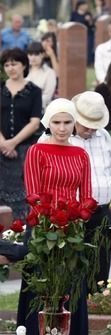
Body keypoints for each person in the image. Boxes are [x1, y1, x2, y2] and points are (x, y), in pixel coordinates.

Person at [19, 98, 92, 335]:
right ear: (48, 123)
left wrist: (74, 225)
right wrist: (48, 225)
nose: (62, 128)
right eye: (57, 122)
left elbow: (87, 196)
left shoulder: (81, 154)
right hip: (42, 230)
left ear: (75, 123)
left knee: (72, 286)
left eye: (67, 122)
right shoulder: (36, 151)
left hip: (72, 231)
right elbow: (33, 194)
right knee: (41, 285)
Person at [38, 92, 111, 284]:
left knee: (100, 270)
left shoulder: (104, 136)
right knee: (72, 273)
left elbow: (109, 170)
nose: (90, 129)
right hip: (70, 215)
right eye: (86, 124)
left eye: (94, 125)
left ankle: (97, 308)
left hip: (101, 212)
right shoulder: (52, 139)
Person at [1, 48, 42, 219]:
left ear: (24, 65)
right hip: (1, 149)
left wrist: (13, 143)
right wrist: (4, 143)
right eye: (7, 65)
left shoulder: (34, 90)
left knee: (24, 196)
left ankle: (21, 236)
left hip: (25, 149)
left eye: (15, 64)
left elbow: (34, 122)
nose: (11, 68)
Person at [25, 41, 56, 111]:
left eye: (36, 54)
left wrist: (29, 101)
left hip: (41, 110)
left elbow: (48, 96)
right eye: (30, 54)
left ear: (42, 54)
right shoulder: (23, 70)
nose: (33, 57)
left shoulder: (49, 72)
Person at [70, 1, 95, 65]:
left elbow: (92, 25)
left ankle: (88, 62)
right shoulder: (74, 14)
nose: (85, 7)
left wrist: (89, 20)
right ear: (80, 6)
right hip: (77, 35)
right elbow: (71, 22)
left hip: (88, 34)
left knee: (88, 48)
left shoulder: (88, 14)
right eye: (84, 5)